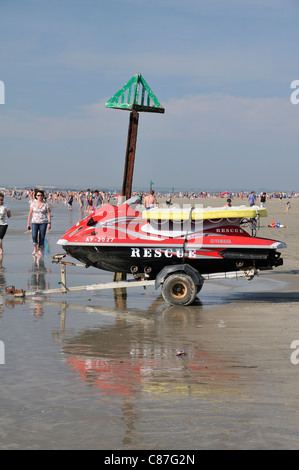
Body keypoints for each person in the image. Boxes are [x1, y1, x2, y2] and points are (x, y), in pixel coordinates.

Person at [27, 189, 51, 256]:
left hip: (43, 222)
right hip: (34, 222)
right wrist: (28, 223)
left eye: (41, 195)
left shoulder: (46, 204)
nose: (40, 196)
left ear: (43, 196)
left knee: (42, 236)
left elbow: (48, 214)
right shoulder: (33, 204)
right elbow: (30, 213)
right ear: (36, 196)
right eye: (38, 195)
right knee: (34, 236)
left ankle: (40, 250)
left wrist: (49, 223)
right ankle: (35, 249)